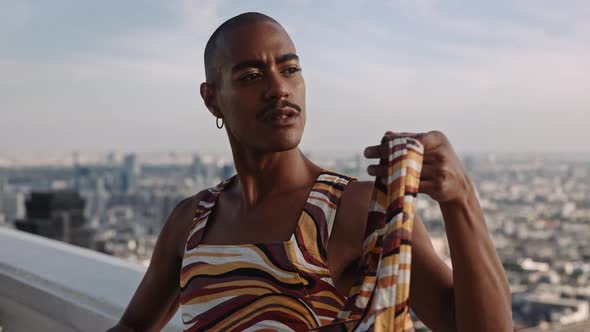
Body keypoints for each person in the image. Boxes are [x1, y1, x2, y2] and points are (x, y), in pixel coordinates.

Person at [108, 12, 512, 332]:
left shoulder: (356, 210)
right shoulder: (191, 221)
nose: (278, 88)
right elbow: (132, 325)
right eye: (251, 76)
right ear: (212, 99)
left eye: (290, 69)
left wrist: (461, 199)